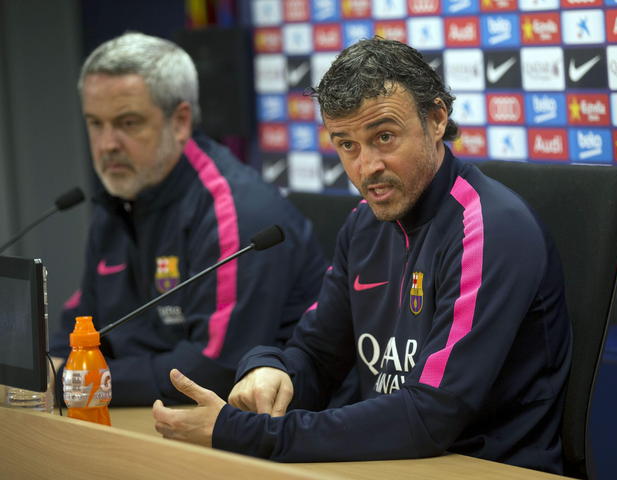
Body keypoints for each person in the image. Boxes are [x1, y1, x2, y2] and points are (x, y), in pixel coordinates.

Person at [152, 37, 572, 474]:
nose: (366, 166)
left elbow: (432, 415)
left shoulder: (488, 227)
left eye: (384, 137)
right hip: (392, 461)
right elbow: (317, 356)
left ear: (436, 119)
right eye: (347, 144)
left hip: (485, 467)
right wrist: (270, 371)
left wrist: (248, 433)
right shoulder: (363, 225)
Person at [49, 33, 326, 406]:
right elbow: (78, 331)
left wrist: (74, 381)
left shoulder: (235, 211)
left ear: (180, 121)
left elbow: (214, 368)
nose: (107, 144)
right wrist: (53, 370)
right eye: (95, 124)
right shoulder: (118, 201)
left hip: (261, 421)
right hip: (147, 412)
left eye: (128, 123)